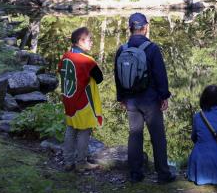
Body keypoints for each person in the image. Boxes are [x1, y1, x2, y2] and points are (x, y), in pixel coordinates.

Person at [114, 12, 175, 183]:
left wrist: (121, 98)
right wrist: (164, 96)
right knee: (158, 137)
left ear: (130, 28)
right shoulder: (152, 48)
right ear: (146, 27)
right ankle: (163, 174)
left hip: (131, 100)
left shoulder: (122, 49)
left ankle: (135, 173)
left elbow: (117, 75)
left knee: (134, 135)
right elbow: (160, 75)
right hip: (150, 100)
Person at [58, 27, 104, 172]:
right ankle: (81, 162)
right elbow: (99, 78)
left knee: (71, 128)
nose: (92, 43)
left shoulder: (66, 56)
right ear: (80, 41)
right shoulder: (87, 61)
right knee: (84, 130)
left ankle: (68, 161)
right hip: (83, 102)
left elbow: (61, 71)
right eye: (90, 40)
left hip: (69, 100)